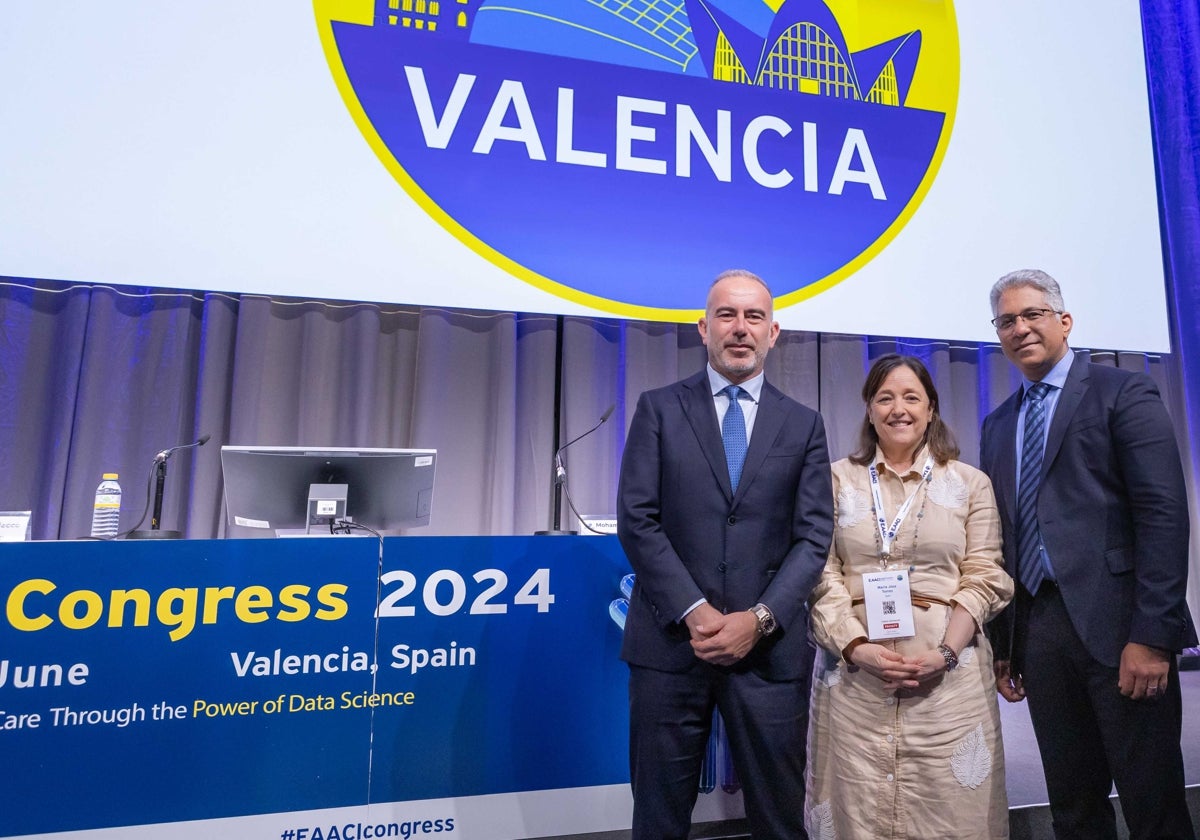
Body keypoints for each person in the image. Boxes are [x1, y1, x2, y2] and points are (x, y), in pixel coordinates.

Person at [616, 269, 834, 840]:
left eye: (754, 316)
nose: (741, 329)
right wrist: (695, 610)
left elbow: (814, 537)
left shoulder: (804, 424)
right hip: (669, 648)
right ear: (702, 328)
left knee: (780, 819)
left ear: (774, 332)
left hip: (769, 656)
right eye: (727, 316)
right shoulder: (658, 408)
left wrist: (757, 620)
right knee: (659, 819)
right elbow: (638, 520)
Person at [981, 269, 1197, 839]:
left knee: (1154, 805)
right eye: (1007, 321)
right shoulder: (998, 424)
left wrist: (1153, 635)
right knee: (1073, 808)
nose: (1020, 328)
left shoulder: (1122, 391)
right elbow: (1006, 535)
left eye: (1033, 314)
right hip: (1041, 633)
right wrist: (1006, 643)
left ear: (1064, 320)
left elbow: (1163, 514)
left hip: (1124, 628)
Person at [806, 353, 1014, 839]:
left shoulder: (969, 483)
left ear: (931, 409)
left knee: (951, 812)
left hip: (950, 680)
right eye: (885, 397)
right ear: (869, 409)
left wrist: (945, 652)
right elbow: (819, 573)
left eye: (911, 397)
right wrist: (857, 648)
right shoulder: (835, 480)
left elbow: (985, 575)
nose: (898, 408)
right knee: (857, 807)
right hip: (854, 679)